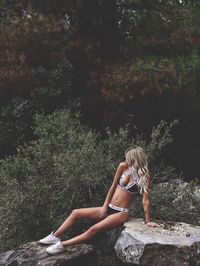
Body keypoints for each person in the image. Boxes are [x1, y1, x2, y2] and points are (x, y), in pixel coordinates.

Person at [39, 146, 159, 255]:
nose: (126, 160)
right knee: (76, 212)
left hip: (121, 213)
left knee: (93, 229)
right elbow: (113, 187)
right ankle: (55, 237)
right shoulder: (123, 166)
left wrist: (148, 220)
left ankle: (62, 245)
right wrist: (104, 206)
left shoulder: (144, 176)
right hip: (109, 207)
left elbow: (146, 200)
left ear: (136, 159)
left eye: (129, 158)